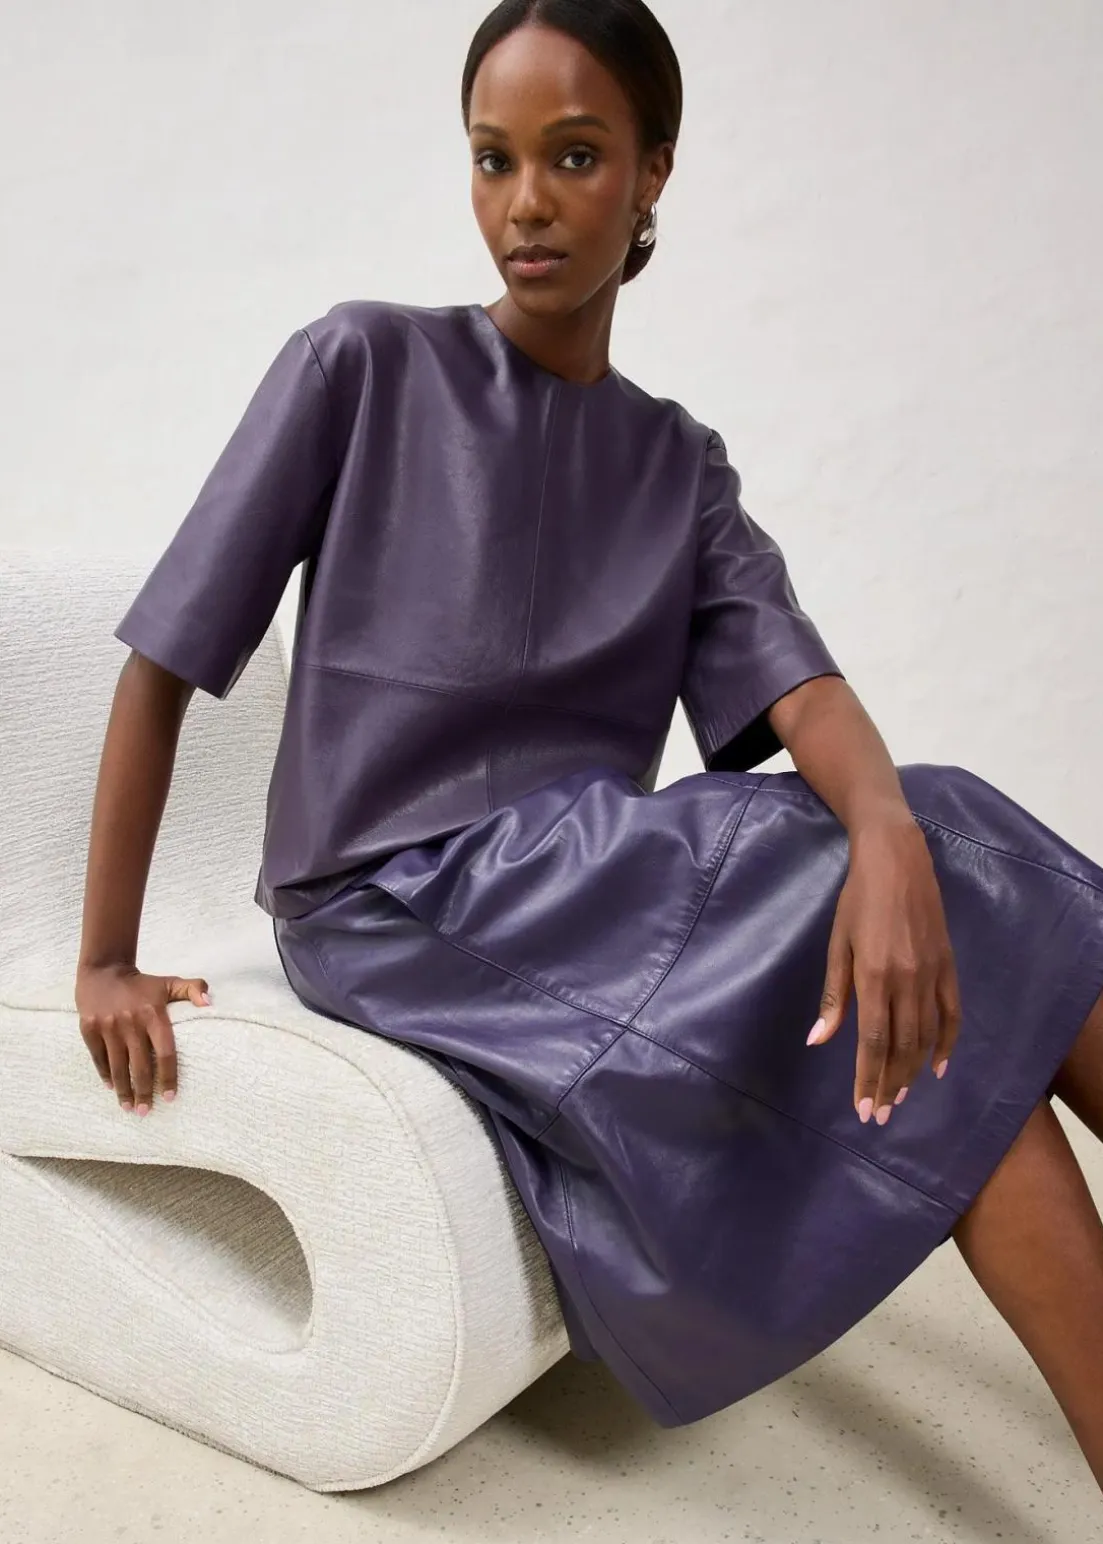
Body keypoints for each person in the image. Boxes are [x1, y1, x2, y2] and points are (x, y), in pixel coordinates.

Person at [74, 0, 1103, 1491]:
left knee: (955, 996)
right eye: (492, 159)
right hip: (390, 904)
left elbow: (803, 689)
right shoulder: (362, 364)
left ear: (651, 173)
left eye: (573, 155)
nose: (527, 203)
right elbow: (165, 661)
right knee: (939, 862)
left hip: (584, 893)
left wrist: (885, 837)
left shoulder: (676, 464)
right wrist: (105, 958)